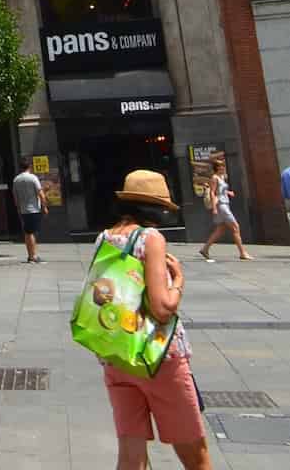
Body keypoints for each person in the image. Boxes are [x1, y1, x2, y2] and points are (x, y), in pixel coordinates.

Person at [97, 168, 210, 469]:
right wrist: (179, 281)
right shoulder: (151, 238)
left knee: (131, 456)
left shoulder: (103, 238)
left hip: (118, 356)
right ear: (155, 208)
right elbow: (162, 307)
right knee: (196, 455)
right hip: (159, 357)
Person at [198, 153, 251, 261]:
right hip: (221, 206)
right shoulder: (214, 178)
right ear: (217, 168)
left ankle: (205, 249)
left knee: (220, 229)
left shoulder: (221, 177)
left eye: (223, 166)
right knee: (236, 227)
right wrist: (214, 208)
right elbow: (213, 193)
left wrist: (228, 192)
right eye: (222, 166)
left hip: (224, 204)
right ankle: (242, 253)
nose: (223, 168)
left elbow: (220, 191)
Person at [13, 156, 47, 263]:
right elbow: (41, 194)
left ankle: (30, 255)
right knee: (31, 233)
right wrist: (44, 207)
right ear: (29, 166)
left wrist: (18, 208)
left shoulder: (16, 180)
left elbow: (15, 196)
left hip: (23, 210)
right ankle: (33, 256)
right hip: (33, 209)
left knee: (27, 233)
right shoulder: (33, 178)